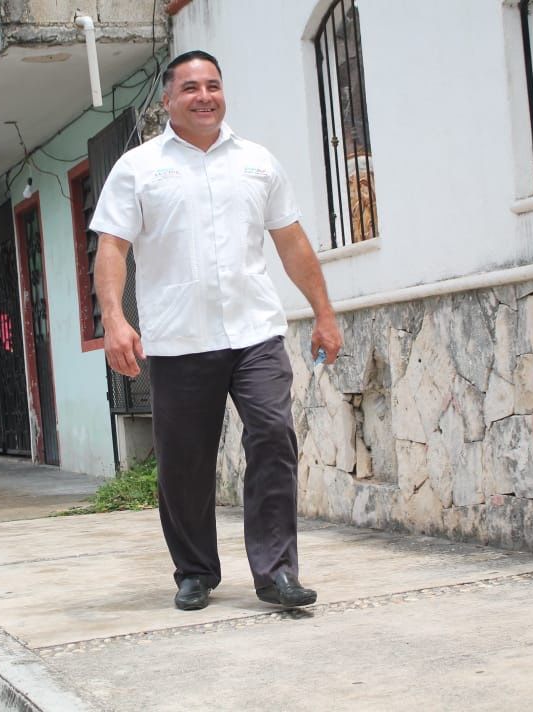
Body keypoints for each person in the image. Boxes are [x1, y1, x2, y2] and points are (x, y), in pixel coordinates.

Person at [91, 50, 343, 611]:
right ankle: (196, 571)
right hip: (179, 339)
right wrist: (114, 320)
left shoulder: (257, 162)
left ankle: (277, 572)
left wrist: (324, 313)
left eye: (213, 86)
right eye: (190, 88)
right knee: (184, 462)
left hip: (255, 333)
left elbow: (292, 242)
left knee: (273, 437)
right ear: (167, 100)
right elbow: (112, 247)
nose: (204, 96)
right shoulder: (138, 168)